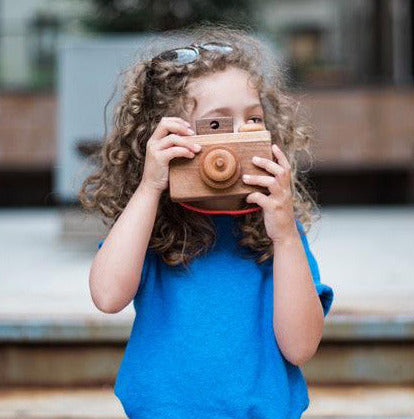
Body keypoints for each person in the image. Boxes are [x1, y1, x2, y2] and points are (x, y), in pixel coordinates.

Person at [79, 24, 334, 419]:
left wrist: (284, 237)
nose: (238, 138)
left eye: (253, 121)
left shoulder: (278, 234)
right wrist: (149, 188)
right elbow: (108, 296)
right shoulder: (153, 228)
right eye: (215, 125)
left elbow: (300, 348)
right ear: (166, 139)